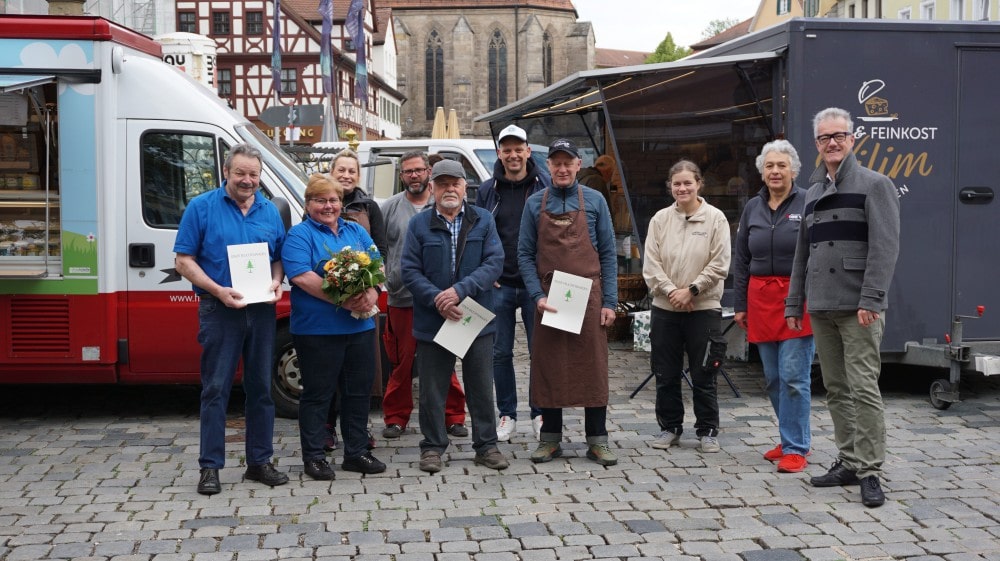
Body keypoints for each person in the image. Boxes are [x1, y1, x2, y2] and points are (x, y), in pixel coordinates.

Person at [785, 107, 900, 508]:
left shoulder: (875, 185)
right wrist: (794, 302)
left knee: (863, 388)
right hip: (821, 305)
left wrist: (872, 298)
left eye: (838, 136)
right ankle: (849, 460)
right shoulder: (813, 193)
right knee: (835, 388)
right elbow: (802, 254)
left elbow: (885, 248)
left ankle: (870, 470)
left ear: (852, 139)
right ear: (816, 144)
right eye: (824, 138)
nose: (831, 143)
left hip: (858, 307)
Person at [173, 144, 289, 495]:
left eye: (253, 174)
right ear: (226, 172)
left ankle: (259, 462)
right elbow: (183, 261)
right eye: (240, 173)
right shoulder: (201, 207)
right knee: (216, 389)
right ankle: (210, 467)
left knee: (261, 389)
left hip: (261, 310)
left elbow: (278, 257)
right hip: (219, 309)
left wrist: (276, 280)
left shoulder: (270, 211)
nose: (247, 180)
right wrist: (218, 290)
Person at [402, 159, 509, 473]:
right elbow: (409, 270)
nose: (449, 189)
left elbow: (494, 262)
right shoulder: (418, 225)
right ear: (432, 187)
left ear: (465, 187)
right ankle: (432, 447)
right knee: (432, 390)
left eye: (455, 183)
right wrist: (438, 299)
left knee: (480, 387)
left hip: (474, 316)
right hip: (434, 318)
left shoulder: (483, 220)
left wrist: (460, 291)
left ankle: (486, 446)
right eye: (443, 183)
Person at [517, 138, 619, 466]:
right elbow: (524, 254)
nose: (562, 169)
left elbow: (608, 253)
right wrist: (537, 295)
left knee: (592, 367)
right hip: (551, 299)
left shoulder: (596, 200)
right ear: (548, 166)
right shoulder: (535, 203)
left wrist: (610, 302)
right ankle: (550, 439)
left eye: (567, 163)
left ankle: (598, 439)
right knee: (550, 366)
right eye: (556, 163)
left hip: (588, 297)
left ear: (578, 164)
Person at [281, 173, 386, 480]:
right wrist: (344, 299)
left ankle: (356, 452)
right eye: (320, 200)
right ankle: (314, 456)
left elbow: (377, 264)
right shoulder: (299, 235)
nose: (328, 206)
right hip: (317, 330)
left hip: (359, 329)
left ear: (341, 202)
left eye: (334, 200)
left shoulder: (355, 230)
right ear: (307, 204)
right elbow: (301, 275)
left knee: (358, 392)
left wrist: (372, 292)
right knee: (318, 394)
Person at [733, 140, 815, 474]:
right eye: (769, 166)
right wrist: (740, 303)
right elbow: (742, 258)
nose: (776, 171)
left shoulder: (809, 201)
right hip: (760, 300)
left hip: (797, 298)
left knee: (794, 376)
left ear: (793, 170)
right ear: (762, 172)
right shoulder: (752, 207)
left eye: (782, 165)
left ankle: (796, 447)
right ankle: (789, 436)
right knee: (772, 378)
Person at [643, 160, 731, 454]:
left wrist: (693, 289)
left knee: (704, 373)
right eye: (677, 184)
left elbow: (720, 263)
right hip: (665, 309)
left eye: (687, 183)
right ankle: (670, 427)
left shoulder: (716, 219)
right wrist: (672, 291)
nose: (682, 188)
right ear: (670, 186)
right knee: (665, 374)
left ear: (699, 184)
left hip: (703, 308)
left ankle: (707, 430)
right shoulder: (659, 220)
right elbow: (651, 264)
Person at [380, 151, 468, 439]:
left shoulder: (443, 204)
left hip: (441, 300)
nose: (414, 175)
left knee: (446, 360)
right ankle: (396, 417)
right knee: (401, 362)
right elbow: (379, 248)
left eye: (418, 170)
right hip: (403, 297)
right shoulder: (390, 208)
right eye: (408, 171)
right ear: (401, 176)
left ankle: (453, 416)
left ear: (429, 173)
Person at [475, 124, 550, 442]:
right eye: (507, 150)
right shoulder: (487, 190)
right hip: (500, 283)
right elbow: (477, 233)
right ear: (499, 153)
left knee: (540, 352)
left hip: (536, 285)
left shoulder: (545, 185)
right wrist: (484, 272)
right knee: (500, 353)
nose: (513, 155)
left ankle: (540, 412)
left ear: (528, 151)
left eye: (518, 149)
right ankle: (507, 414)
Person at [324, 149, 387, 451]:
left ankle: (358, 428)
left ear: (358, 176)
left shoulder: (369, 207)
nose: (346, 175)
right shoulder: (320, 201)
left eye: (352, 171)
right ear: (332, 171)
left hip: (364, 299)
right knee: (329, 369)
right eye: (341, 169)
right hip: (329, 300)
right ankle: (326, 427)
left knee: (361, 372)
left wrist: (372, 289)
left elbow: (381, 252)